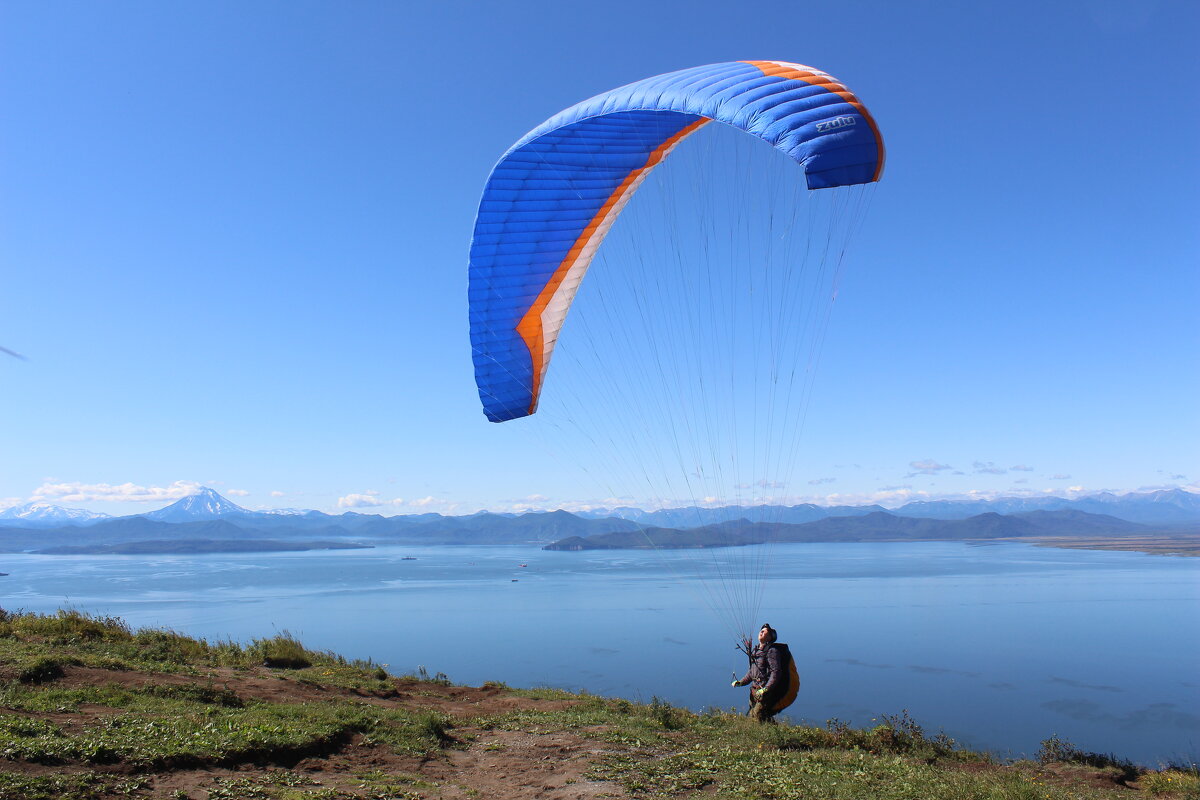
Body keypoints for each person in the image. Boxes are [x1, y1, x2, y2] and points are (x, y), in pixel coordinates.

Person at [732, 623, 785, 723]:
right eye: (761, 630)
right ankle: (773, 734)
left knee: (758, 716)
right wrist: (741, 682)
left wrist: (766, 688)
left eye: (765, 631)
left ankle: (773, 735)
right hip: (754, 691)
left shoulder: (772, 651)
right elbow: (752, 673)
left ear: (770, 637)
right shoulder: (756, 651)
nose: (761, 632)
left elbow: (776, 672)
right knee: (754, 715)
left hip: (764, 692)